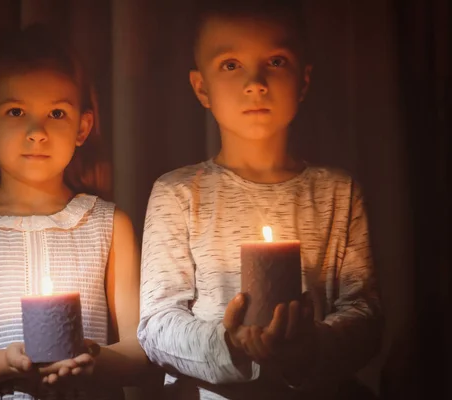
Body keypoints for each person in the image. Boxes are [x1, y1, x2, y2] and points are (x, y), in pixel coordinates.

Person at [136, 1, 382, 398]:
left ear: (303, 81)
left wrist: (308, 347)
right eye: (231, 65)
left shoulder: (338, 193)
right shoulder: (178, 193)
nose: (256, 82)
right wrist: (230, 343)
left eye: (276, 61)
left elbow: (364, 314)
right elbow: (157, 323)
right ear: (202, 88)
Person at [0, 24, 148, 400]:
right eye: (16, 111)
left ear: (82, 127)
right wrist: (6, 361)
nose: (37, 131)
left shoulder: (109, 225)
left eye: (56, 113)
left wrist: (93, 359)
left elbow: (141, 350)